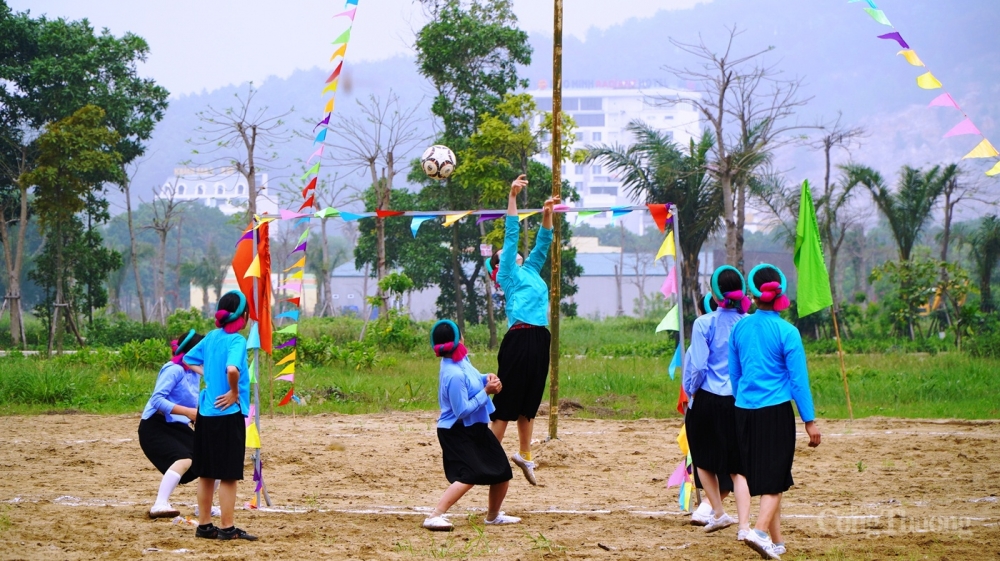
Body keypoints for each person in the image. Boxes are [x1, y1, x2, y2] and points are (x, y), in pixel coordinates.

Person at [729, 264, 822, 560]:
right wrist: (809, 420)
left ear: (753, 295)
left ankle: (777, 542)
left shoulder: (739, 327)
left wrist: (745, 400)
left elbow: (736, 375)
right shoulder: (788, 331)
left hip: (743, 410)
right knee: (776, 478)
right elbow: (798, 380)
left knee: (768, 477)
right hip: (775, 411)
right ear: (780, 291)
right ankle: (758, 532)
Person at [488, 174, 559, 486]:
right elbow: (512, 235)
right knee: (507, 404)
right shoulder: (507, 274)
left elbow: (543, 243)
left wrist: (546, 214)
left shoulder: (530, 270)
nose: (514, 253)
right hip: (519, 338)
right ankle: (488, 454)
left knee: (528, 404)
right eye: (507, 254)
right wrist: (513, 197)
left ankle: (525, 454)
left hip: (540, 337)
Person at [422, 319, 520, 531]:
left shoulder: (460, 360)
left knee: (502, 471)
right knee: (470, 475)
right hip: (457, 431)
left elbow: (474, 379)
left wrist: (486, 378)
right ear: (459, 340)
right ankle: (434, 516)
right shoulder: (453, 374)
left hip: (475, 427)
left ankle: (493, 516)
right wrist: (487, 392)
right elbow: (462, 410)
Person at [184, 291, 258, 541]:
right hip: (227, 413)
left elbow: (187, 358)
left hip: (205, 413)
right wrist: (234, 392)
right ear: (243, 316)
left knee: (206, 472)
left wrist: (206, 374)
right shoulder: (236, 340)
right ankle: (227, 527)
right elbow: (232, 369)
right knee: (227, 474)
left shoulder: (211, 338)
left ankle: (204, 525)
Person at [683, 267, 751, 533]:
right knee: (738, 469)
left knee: (702, 460)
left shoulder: (704, 323)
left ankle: (719, 512)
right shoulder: (746, 323)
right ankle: (744, 526)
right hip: (738, 400)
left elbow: (698, 365)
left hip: (707, 399)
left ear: (714, 293)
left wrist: (691, 391)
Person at [138, 330, 205, 518]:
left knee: (212, 456)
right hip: (155, 425)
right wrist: (189, 413)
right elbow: (156, 400)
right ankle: (159, 504)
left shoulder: (195, 372)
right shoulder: (173, 369)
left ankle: (205, 506)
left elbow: (192, 402)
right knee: (184, 459)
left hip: (177, 426)